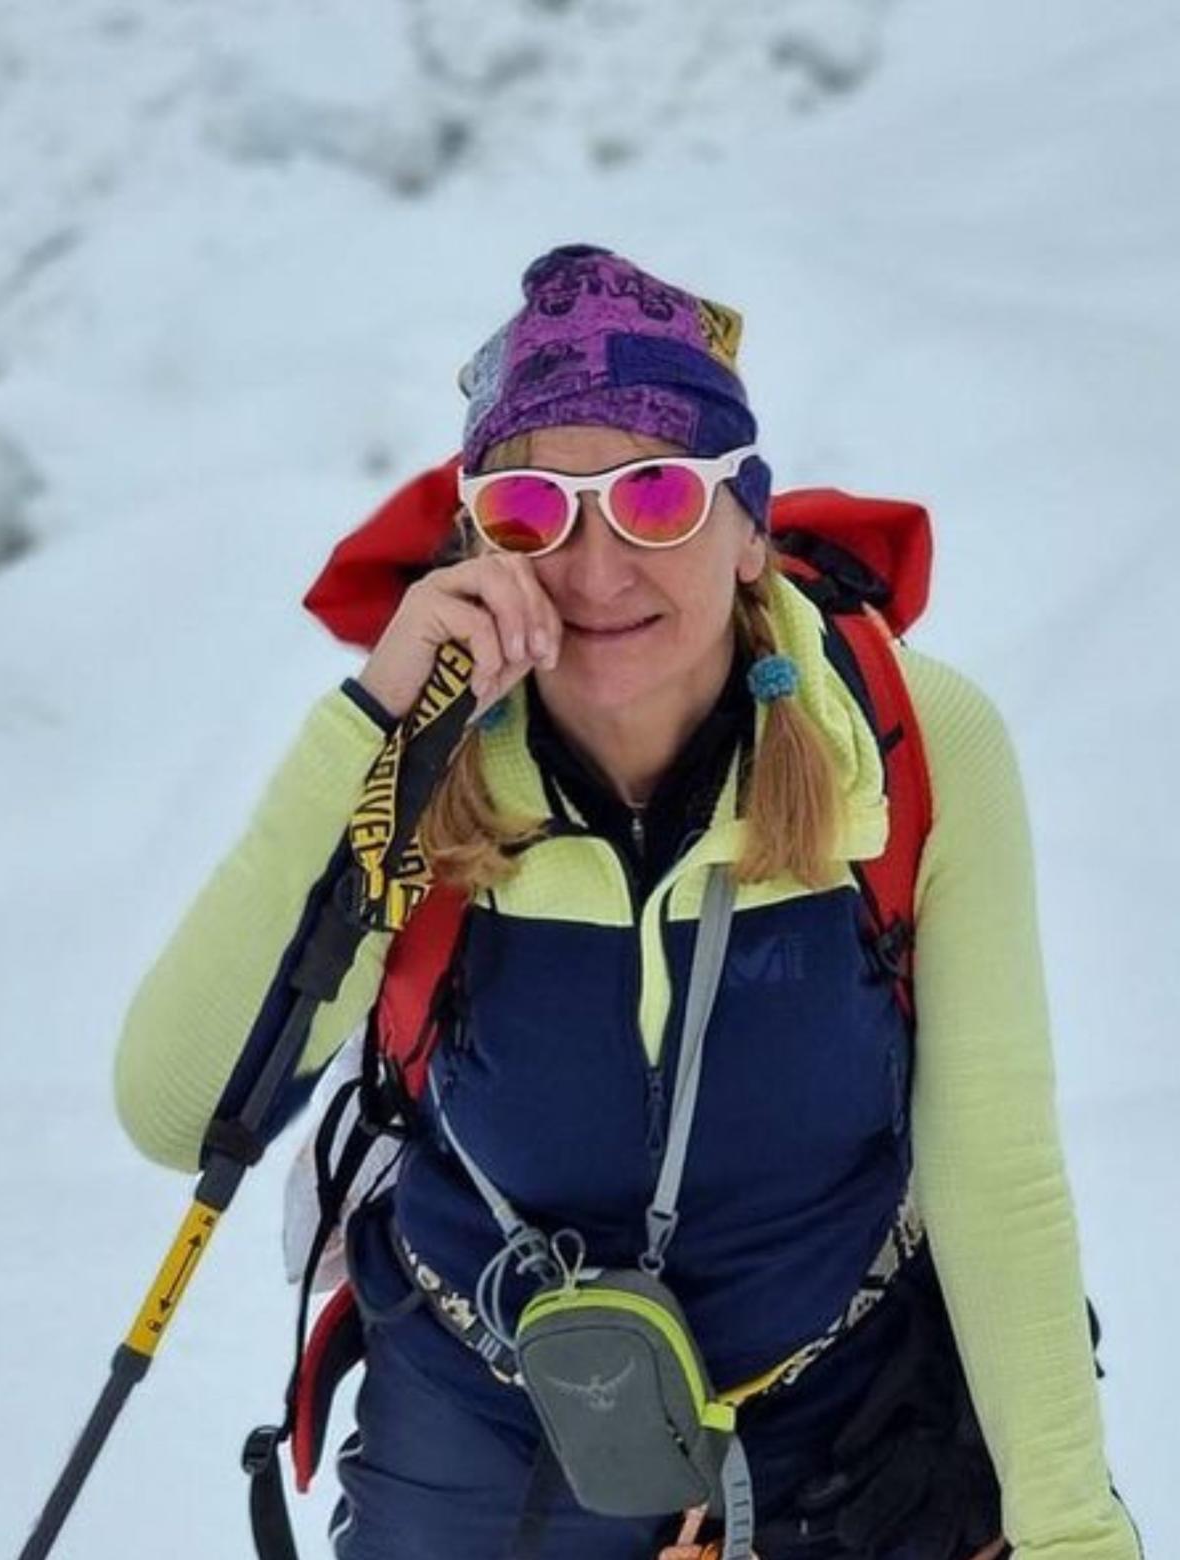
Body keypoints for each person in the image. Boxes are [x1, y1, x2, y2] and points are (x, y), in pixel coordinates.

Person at [114, 243, 1140, 1560]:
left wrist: (1068, 1527)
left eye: (657, 497)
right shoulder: (417, 768)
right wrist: (371, 725)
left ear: (749, 524)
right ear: (479, 540)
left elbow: (996, 1170)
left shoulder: (909, 745)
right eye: (534, 513)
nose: (596, 570)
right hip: (484, 1414)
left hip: (844, 1413)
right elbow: (179, 1108)